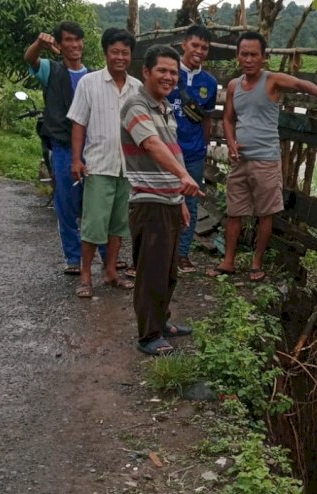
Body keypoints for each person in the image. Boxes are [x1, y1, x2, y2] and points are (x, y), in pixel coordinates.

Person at [206, 31, 317, 282]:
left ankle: (256, 263)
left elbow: (298, 84)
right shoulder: (234, 86)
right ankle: (228, 261)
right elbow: (229, 119)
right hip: (240, 161)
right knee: (234, 212)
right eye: (244, 54)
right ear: (238, 56)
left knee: (265, 213)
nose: (249, 59)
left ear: (263, 57)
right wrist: (230, 144)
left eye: (254, 54)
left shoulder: (272, 81)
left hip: (266, 160)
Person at [121, 45, 203, 356]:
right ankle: (148, 336)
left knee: (168, 273)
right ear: (146, 72)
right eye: (162, 71)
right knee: (150, 273)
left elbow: (170, 148)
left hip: (168, 201)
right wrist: (184, 176)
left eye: (173, 72)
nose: (169, 77)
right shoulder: (136, 105)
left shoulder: (166, 107)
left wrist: (179, 197)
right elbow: (153, 145)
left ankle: (163, 321)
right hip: (149, 202)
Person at [24, 21, 108, 276]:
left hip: (93, 149)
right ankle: (74, 258)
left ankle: (107, 257)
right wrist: (39, 43)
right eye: (68, 40)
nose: (74, 44)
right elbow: (30, 58)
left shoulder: (94, 76)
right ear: (59, 45)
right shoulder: (52, 70)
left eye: (78, 39)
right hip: (61, 147)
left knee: (98, 204)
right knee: (67, 204)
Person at [67, 28, 141, 298]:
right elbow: (78, 122)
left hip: (128, 168)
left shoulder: (137, 87)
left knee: (118, 225)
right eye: (115, 52)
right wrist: (76, 158)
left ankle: (111, 271)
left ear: (131, 55)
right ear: (105, 53)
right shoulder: (89, 82)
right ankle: (86, 276)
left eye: (125, 52)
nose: (120, 57)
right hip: (98, 165)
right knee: (93, 224)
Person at [167, 25, 218, 273]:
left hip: (194, 152)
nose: (199, 51)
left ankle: (182, 254)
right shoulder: (168, 73)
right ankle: (160, 253)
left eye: (204, 48)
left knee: (192, 202)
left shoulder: (209, 82)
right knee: (163, 200)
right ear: (184, 44)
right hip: (166, 151)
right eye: (195, 45)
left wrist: (204, 146)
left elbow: (207, 118)